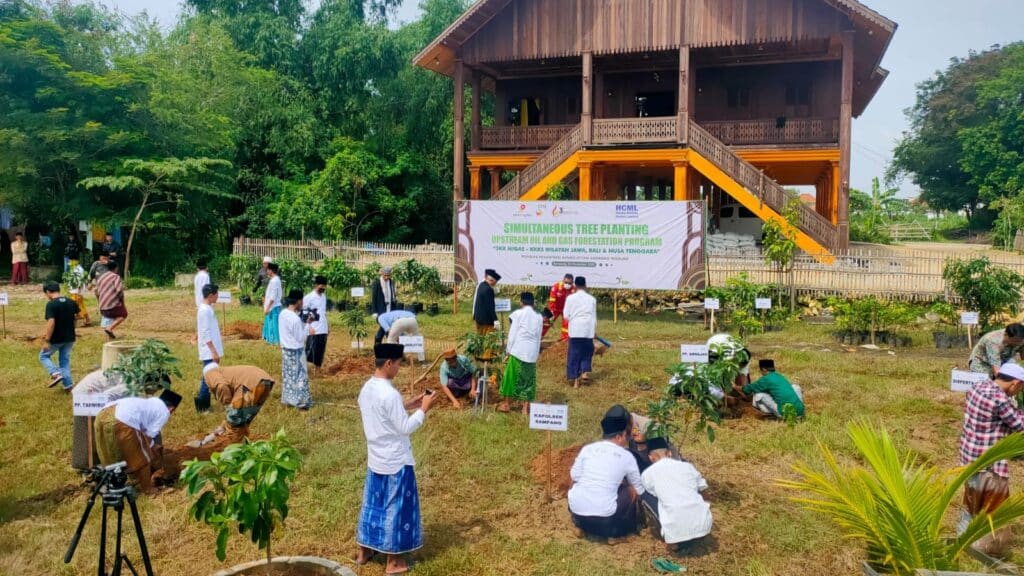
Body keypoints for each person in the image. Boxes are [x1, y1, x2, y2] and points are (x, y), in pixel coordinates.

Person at [354, 343, 437, 574]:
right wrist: (424, 409)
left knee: (373, 506)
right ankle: (393, 562)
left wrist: (411, 403)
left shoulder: (367, 388)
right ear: (389, 363)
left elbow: (382, 412)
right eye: (399, 364)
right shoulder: (389, 394)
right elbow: (404, 427)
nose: (399, 368)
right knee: (395, 510)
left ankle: (365, 551)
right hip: (396, 462)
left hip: (375, 459)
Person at [958, 362, 1024, 554]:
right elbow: (1019, 425)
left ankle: (963, 543)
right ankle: (984, 552)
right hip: (990, 464)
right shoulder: (1000, 400)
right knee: (995, 511)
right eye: (1021, 388)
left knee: (971, 503)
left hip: (970, 458)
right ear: (1015, 384)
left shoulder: (978, 386)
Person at [568, 406, 646, 542]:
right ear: (619, 436)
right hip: (606, 520)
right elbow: (638, 489)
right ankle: (616, 533)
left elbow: (574, 476)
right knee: (631, 490)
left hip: (578, 514)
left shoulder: (588, 449)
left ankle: (581, 526)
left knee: (576, 481)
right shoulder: (626, 456)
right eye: (625, 436)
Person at [94, 389, 182, 493]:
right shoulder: (164, 412)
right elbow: (148, 438)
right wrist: (154, 451)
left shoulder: (150, 403)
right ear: (172, 409)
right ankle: (147, 489)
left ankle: (109, 484)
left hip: (102, 415)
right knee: (145, 456)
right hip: (123, 419)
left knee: (110, 452)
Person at [640, 437, 713, 553]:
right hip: (704, 526)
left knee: (644, 494)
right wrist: (707, 506)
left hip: (675, 530)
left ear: (650, 457)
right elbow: (703, 489)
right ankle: (697, 533)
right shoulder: (687, 466)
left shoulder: (647, 474)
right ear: (669, 453)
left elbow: (654, 493)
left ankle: (673, 541)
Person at [188, 363, 275, 447]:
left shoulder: (209, 374)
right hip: (264, 381)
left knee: (235, 425)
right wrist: (225, 424)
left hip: (249, 384)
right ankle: (245, 446)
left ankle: (234, 453)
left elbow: (221, 386)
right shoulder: (225, 372)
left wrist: (228, 406)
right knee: (243, 420)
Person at [499, 292, 543, 414]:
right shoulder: (539, 317)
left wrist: (507, 352)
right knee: (528, 380)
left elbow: (512, 335)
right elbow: (539, 337)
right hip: (532, 353)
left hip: (518, 351)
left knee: (510, 377)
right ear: (533, 304)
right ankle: (525, 407)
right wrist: (536, 353)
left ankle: (506, 404)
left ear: (521, 303)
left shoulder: (517, 314)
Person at [734, 359, 805, 419]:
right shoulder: (779, 376)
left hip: (785, 414)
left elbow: (748, 389)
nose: (761, 372)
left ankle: (770, 413)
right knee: (795, 387)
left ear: (764, 369)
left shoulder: (766, 379)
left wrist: (734, 386)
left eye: (761, 370)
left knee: (759, 395)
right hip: (800, 412)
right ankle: (799, 410)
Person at [40, 281, 78, 391]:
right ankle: (68, 385)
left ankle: (55, 373)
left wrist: (47, 340)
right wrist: (72, 330)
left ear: (47, 292)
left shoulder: (51, 304)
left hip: (56, 338)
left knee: (43, 356)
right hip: (70, 337)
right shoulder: (71, 302)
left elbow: (51, 322)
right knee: (64, 361)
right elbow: (76, 318)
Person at [280, 288, 313, 410]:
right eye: (302, 301)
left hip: (285, 350)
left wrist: (303, 323)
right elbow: (300, 338)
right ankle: (301, 402)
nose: (303, 304)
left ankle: (288, 399)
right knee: (301, 376)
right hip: (296, 351)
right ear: (298, 301)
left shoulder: (283, 314)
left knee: (288, 375)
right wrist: (308, 325)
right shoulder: (295, 320)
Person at [195, 283, 224, 413]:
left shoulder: (207, 308)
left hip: (212, 349)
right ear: (211, 295)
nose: (218, 296)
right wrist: (213, 352)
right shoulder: (204, 310)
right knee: (207, 378)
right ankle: (202, 406)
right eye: (217, 294)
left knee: (209, 376)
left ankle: (205, 403)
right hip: (209, 351)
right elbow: (205, 333)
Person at [564, 276, 597, 388]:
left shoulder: (570, 298)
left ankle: (576, 381)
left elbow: (565, 316)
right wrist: (593, 331)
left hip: (575, 329)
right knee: (587, 352)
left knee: (574, 354)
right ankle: (584, 372)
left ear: (575, 285)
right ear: (585, 285)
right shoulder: (592, 299)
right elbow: (594, 317)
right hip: (588, 329)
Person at [303, 276, 329, 372]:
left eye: (324, 286)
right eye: (321, 286)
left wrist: (327, 326)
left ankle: (317, 369)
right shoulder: (309, 297)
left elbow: (323, 312)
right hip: (313, 328)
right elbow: (304, 313)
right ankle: (304, 367)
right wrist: (308, 327)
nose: (323, 288)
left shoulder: (324, 297)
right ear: (316, 285)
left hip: (323, 327)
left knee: (320, 349)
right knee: (310, 349)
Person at [95, 260, 127, 339]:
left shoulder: (101, 277)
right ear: (116, 268)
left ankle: (108, 334)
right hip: (111, 307)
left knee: (109, 317)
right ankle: (110, 328)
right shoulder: (115, 276)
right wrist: (122, 301)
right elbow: (119, 291)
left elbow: (95, 291)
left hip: (102, 307)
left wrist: (100, 301)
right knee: (123, 314)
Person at [545, 274, 575, 340]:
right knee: (546, 322)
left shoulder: (574, 289)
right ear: (563, 280)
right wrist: (551, 313)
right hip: (555, 308)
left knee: (567, 325)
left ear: (572, 283)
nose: (567, 284)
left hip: (566, 310)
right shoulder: (556, 287)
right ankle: (538, 337)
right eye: (566, 282)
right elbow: (552, 300)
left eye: (569, 283)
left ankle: (564, 341)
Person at [472, 269, 500, 334]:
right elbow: (490, 307)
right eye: (495, 283)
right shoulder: (488, 289)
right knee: (489, 341)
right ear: (492, 281)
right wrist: (495, 320)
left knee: (480, 339)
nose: (495, 284)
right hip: (486, 321)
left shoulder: (481, 285)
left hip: (478, 319)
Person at [66, 259, 91, 326]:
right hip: (74, 291)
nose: (69, 262)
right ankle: (85, 319)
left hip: (76, 291)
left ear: (75, 261)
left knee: (77, 305)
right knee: (78, 305)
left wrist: (79, 292)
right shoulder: (74, 268)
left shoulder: (78, 269)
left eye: (70, 260)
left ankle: (86, 319)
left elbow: (80, 281)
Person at [262, 263, 282, 345]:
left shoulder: (274, 281)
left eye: (268, 270)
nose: (267, 271)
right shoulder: (276, 279)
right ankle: (271, 340)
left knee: (273, 325)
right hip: (274, 306)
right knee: (272, 323)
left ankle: (274, 341)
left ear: (271, 271)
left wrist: (267, 308)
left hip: (273, 307)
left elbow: (273, 297)